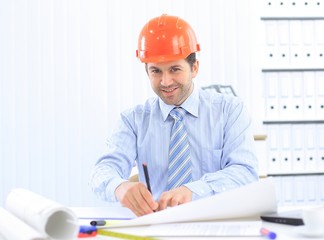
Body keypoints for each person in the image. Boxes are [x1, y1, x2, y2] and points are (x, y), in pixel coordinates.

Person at [89, 14, 258, 217]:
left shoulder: (229, 110)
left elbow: (246, 173)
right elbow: (102, 170)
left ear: (194, 68)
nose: (166, 81)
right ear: (147, 72)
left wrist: (193, 190)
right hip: (158, 223)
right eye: (156, 71)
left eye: (175, 69)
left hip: (216, 221)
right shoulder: (133, 120)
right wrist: (120, 186)